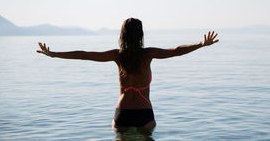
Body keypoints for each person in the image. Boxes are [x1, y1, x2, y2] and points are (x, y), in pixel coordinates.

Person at [36, 18, 219, 133]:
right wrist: (201, 44)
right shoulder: (147, 54)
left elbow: (84, 54)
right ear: (140, 35)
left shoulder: (118, 55)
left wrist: (54, 54)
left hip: (121, 114)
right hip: (144, 114)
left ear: (122, 35)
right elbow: (177, 51)